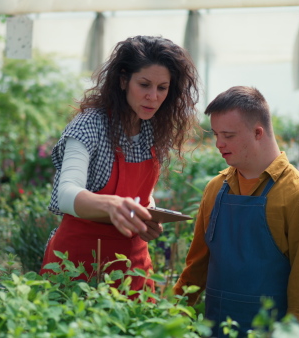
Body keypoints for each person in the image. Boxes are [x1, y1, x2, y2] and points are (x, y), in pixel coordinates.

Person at [40, 36, 199, 295]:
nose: (153, 96)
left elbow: (143, 196)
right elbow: (66, 193)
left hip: (131, 268)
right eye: (144, 84)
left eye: (162, 88)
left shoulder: (151, 129)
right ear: (123, 80)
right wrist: (112, 205)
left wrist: (149, 217)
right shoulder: (89, 125)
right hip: (77, 264)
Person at [173, 86, 299, 336]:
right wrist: (167, 318)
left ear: (258, 132)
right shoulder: (215, 188)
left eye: (228, 135)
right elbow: (195, 271)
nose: (218, 143)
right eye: (216, 134)